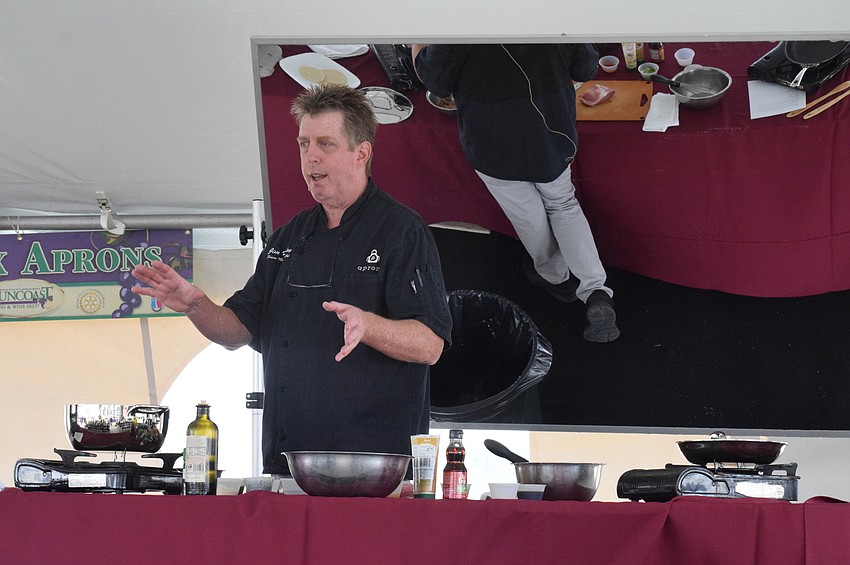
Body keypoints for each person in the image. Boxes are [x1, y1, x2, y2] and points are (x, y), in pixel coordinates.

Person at [132, 83, 453, 475]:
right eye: (303, 144)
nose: (310, 157)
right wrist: (196, 304)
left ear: (361, 153)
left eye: (325, 144)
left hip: (374, 473)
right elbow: (238, 330)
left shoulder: (401, 231)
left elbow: (430, 344)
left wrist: (368, 325)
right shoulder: (289, 236)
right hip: (289, 467)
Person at [413, 43, 619, 342]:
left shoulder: (458, 21)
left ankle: (555, 277)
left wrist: (419, 46)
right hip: (551, 134)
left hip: (492, 143)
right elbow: (585, 67)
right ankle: (596, 290)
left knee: (528, 216)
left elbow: (437, 83)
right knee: (563, 205)